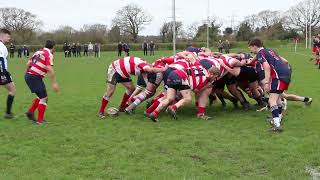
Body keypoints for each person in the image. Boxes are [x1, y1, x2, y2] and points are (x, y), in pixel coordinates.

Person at [98, 56, 167, 118]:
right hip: (114, 69)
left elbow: (145, 77)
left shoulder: (144, 68)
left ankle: (122, 107)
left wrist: (148, 89)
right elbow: (151, 70)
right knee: (110, 91)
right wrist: (163, 69)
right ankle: (101, 111)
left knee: (131, 88)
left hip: (123, 72)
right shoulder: (144, 66)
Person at [249, 38, 292, 132]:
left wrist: (266, 82)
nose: (250, 50)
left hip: (278, 76)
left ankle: (277, 126)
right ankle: (278, 118)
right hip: (286, 73)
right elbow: (285, 61)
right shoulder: (271, 51)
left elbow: (267, 67)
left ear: (254, 46)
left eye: (250, 48)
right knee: (277, 98)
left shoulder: (261, 53)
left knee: (271, 100)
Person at [24, 40, 59, 125]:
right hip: (35, 77)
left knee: (40, 96)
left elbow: (28, 63)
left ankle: (30, 112)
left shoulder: (38, 51)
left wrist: (28, 73)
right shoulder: (49, 54)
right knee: (44, 98)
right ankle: (40, 121)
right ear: (53, 47)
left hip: (29, 76)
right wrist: (54, 83)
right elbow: (49, 69)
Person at [0, 28, 16, 119]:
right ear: (2, 35)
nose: (9, 38)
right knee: (12, 90)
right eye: (8, 36)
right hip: (2, 72)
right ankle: (8, 113)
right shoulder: (1, 46)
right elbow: (1, 59)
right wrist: (3, 73)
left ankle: (8, 113)